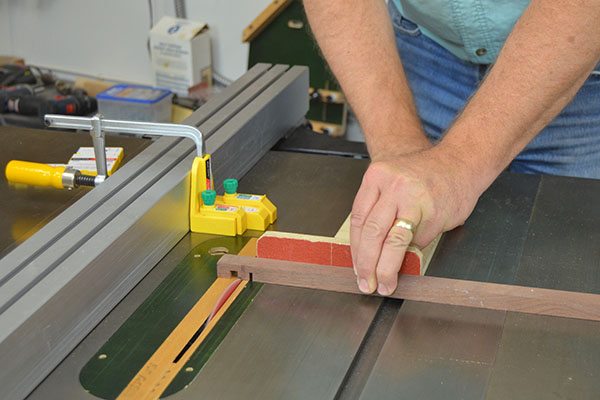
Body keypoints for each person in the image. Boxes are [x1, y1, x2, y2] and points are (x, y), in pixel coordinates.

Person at [303, 0, 600, 296]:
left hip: (579, 61)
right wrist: (397, 146)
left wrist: (460, 162)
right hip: (426, 47)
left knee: (569, 282)